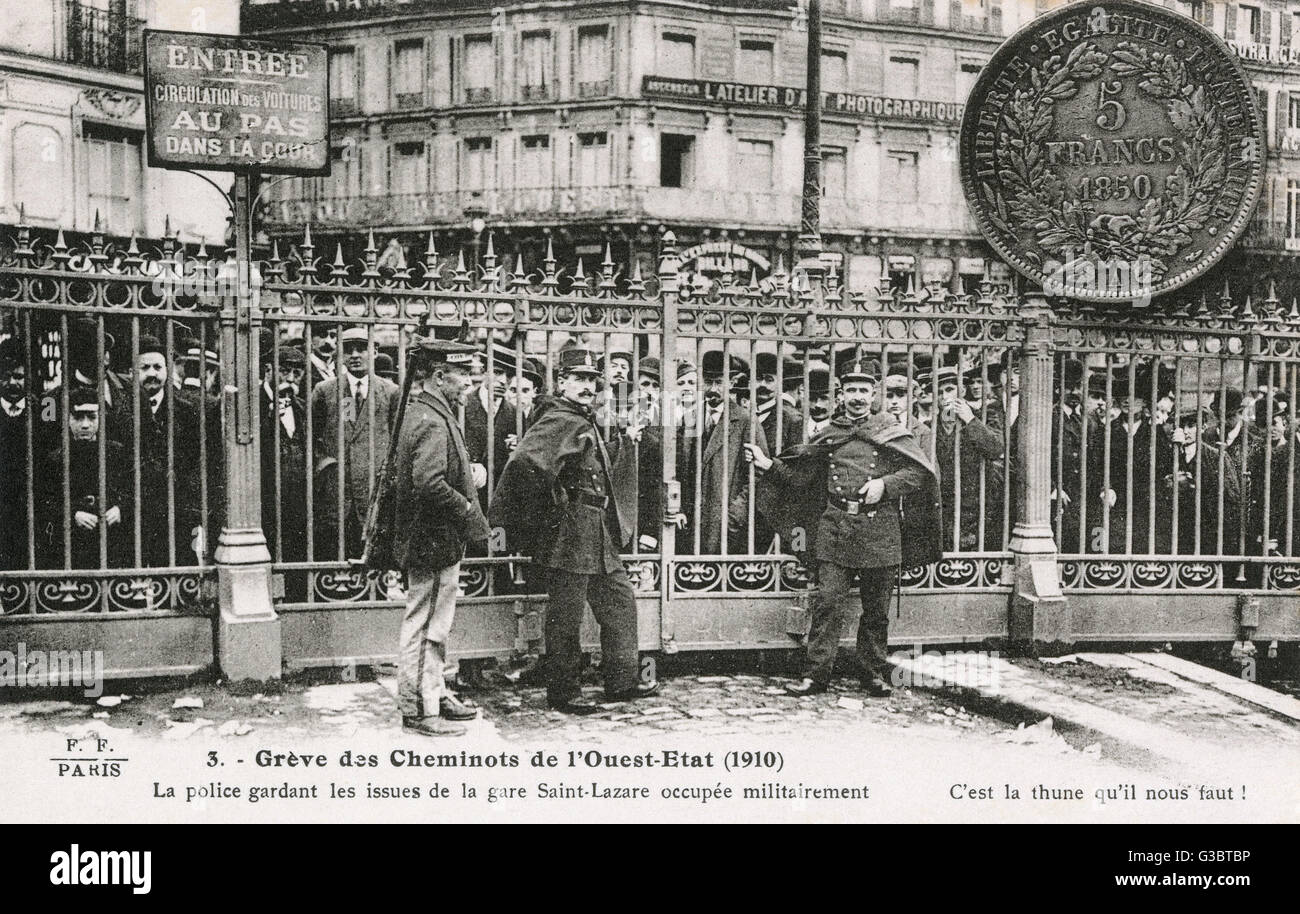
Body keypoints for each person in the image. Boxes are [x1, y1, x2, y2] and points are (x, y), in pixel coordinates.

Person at [747, 355, 940, 697]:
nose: (857, 397)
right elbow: (802, 477)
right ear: (841, 394)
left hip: (880, 530)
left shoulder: (890, 431)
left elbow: (919, 473)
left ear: (874, 393)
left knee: (877, 610)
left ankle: (873, 673)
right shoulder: (829, 433)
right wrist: (769, 465)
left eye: (863, 390)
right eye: (851, 389)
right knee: (828, 603)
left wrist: (884, 486)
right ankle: (816, 674)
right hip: (835, 528)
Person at [489, 348, 659, 714]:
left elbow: (592, 467)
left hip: (595, 532)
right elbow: (524, 462)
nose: (586, 386)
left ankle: (622, 681)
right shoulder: (560, 418)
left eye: (591, 380)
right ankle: (564, 693)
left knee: (619, 603)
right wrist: (551, 505)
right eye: (578, 379)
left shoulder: (581, 418)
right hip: (570, 533)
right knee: (566, 617)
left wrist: (625, 440)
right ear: (562, 382)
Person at [392, 335, 489, 737]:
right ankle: (418, 710)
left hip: (436, 537)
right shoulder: (431, 418)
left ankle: (433, 693)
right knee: (426, 624)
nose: (468, 381)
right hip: (432, 538)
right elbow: (428, 482)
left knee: (436, 623)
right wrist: (466, 507)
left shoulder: (432, 411)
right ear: (439, 375)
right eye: (461, 374)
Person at [311, 327, 400, 560]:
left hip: (374, 494)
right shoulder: (325, 391)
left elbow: (399, 440)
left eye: (361, 349)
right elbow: (311, 437)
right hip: (337, 494)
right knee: (334, 558)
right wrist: (326, 468)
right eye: (348, 350)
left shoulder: (391, 393)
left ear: (375, 351)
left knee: (374, 564)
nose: (355, 355)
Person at [133, 335, 205, 568]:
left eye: (157, 367)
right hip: (134, 507)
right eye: (144, 368)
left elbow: (196, 461)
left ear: (168, 369)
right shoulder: (124, 408)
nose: (152, 373)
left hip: (175, 508)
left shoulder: (186, 410)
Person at [40, 388, 126, 569]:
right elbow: (44, 499)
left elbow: (133, 489)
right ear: (68, 419)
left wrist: (120, 508)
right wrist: (73, 514)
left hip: (112, 540)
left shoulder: (117, 452)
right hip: (71, 542)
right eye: (78, 417)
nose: (85, 425)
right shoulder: (56, 458)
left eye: (92, 417)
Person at [261, 346, 310, 600]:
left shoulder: (302, 407)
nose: (290, 379)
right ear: (269, 370)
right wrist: (271, 410)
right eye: (284, 371)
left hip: (297, 502)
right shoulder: (254, 402)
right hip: (264, 503)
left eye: (297, 373)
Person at [0, 338, 32, 570]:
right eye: (5, 375)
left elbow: (51, 442)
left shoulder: (46, 406)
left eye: (19, 377)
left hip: (30, 500)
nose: (12, 382)